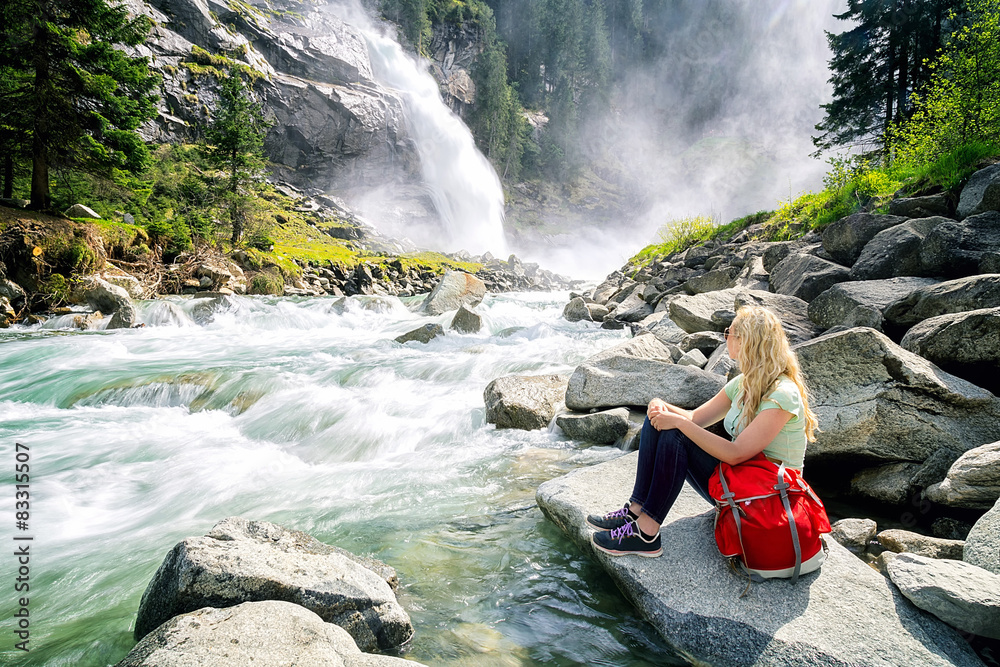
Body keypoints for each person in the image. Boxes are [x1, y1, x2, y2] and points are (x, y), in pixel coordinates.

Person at [589, 305, 819, 557]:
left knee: (676, 432)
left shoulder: (782, 394)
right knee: (658, 421)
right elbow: (695, 417)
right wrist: (660, 405)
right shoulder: (744, 383)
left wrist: (679, 423)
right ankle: (635, 511)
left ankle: (646, 533)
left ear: (744, 341)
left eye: (728, 332)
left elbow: (736, 453)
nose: (725, 337)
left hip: (768, 499)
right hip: (742, 482)